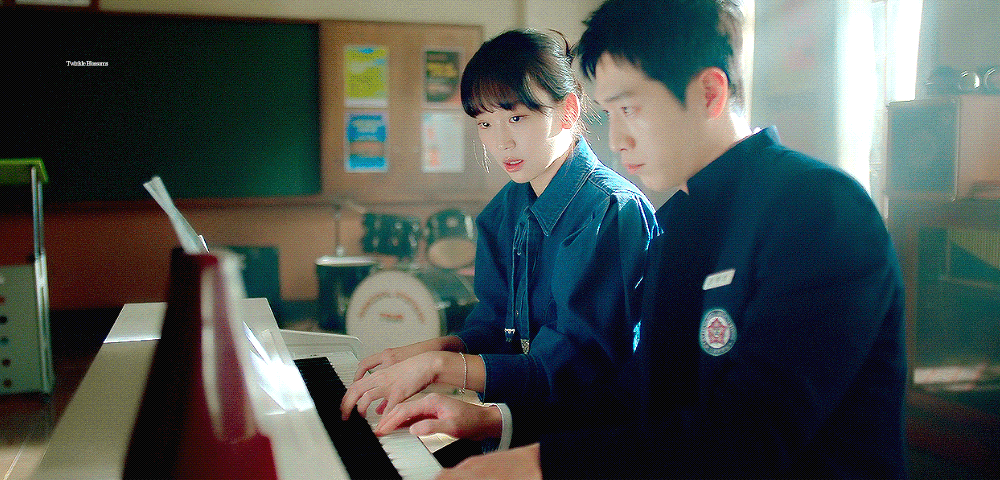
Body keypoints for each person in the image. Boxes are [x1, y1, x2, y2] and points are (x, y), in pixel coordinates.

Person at [374, 1, 908, 478]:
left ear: (709, 93)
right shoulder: (680, 219)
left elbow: (750, 437)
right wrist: (490, 420)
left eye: (630, 109)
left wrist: (534, 465)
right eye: (610, 113)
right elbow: (637, 398)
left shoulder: (818, 209)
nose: (617, 139)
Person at [340, 28, 658, 454]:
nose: (501, 142)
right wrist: (426, 351)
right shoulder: (503, 211)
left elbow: (570, 371)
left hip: (585, 448)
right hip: (510, 429)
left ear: (568, 111)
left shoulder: (609, 211)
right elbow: (495, 328)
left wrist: (438, 366)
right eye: (485, 123)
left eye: (517, 118)